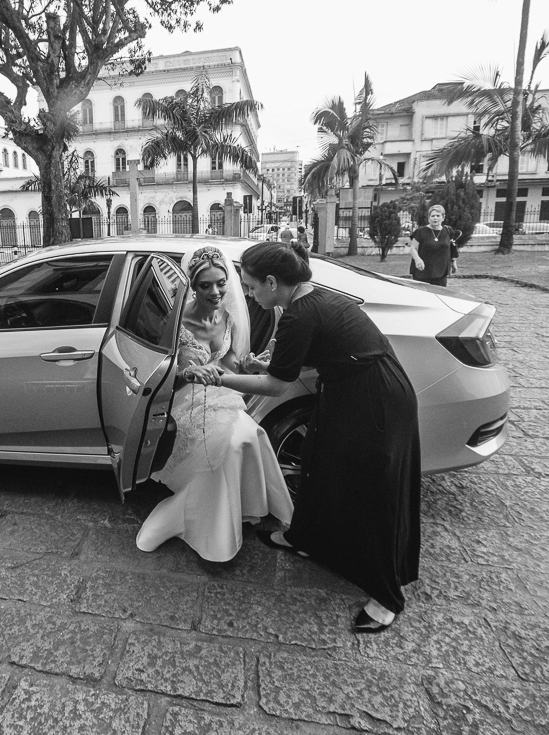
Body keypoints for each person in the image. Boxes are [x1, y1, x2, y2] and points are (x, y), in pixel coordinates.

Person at [202, 240, 421, 634]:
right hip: (345, 393)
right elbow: (298, 357)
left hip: (376, 401)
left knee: (373, 492)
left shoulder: (301, 313)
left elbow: (275, 385)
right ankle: (306, 538)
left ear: (272, 282)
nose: (248, 294)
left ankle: (387, 596)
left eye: (251, 287)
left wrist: (219, 377)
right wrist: (265, 362)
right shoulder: (302, 301)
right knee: (319, 466)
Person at [136, 246, 293, 563]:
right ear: (192, 286)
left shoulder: (228, 318)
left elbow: (231, 368)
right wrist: (189, 371)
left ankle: (239, 506)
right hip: (184, 401)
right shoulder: (176, 320)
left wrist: (253, 365)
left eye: (221, 282)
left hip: (223, 397)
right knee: (226, 447)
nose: (216, 291)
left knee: (244, 438)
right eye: (205, 285)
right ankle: (187, 517)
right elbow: (160, 375)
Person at [409, 204, 459, 287]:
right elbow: (413, 248)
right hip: (422, 270)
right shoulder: (420, 231)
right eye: (432, 216)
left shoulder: (448, 231)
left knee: (439, 295)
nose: (435, 218)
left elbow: (451, 248)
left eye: (438, 216)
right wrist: (417, 260)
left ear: (443, 217)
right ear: (429, 218)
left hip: (441, 271)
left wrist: (453, 262)